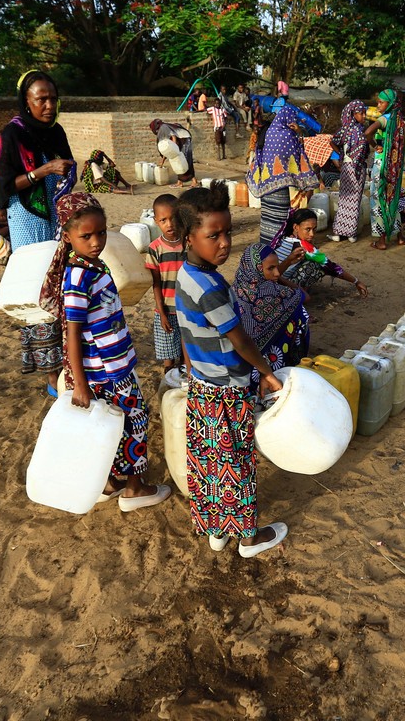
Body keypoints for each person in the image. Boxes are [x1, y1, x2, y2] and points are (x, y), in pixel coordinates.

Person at [173, 184, 289, 558]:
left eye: (228, 233)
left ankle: (218, 531)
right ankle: (249, 539)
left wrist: (192, 378)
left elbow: (188, 336)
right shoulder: (211, 288)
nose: (224, 243)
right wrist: (267, 373)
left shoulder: (186, 275)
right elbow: (239, 341)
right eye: (213, 236)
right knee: (237, 464)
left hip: (203, 387)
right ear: (189, 237)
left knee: (210, 463)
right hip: (226, 389)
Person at [38, 192, 171, 510]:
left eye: (101, 232)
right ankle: (135, 489)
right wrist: (79, 384)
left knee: (111, 424)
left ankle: (110, 482)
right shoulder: (79, 276)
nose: (96, 241)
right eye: (86, 236)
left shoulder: (93, 266)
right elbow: (71, 333)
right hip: (108, 372)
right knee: (135, 420)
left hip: (112, 365)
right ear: (68, 237)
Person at [0, 70, 77, 395]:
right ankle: (51, 375)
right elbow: (4, 185)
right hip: (27, 219)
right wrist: (43, 171)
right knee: (39, 292)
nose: (49, 105)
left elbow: (67, 164)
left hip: (56, 218)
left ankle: (67, 362)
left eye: (53, 98)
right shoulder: (11, 136)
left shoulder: (56, 132)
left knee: (61, 287)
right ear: (26, 101)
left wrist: (67, 171)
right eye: (41, 98)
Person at [234, 244, 310, 391]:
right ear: (255, 269)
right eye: (271, 268)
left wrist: (278, 271)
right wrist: (280, 278)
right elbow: (305, 296)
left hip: (240, 365)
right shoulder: (273, 292)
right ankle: (290, 362)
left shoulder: (235, 288)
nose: (276, 273)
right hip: (264, 364)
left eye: (276, 267)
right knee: (300, 311)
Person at [247, 104, 319, 246]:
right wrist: (298, 132)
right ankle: (277, 248)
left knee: (268, 218)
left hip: (266, 186)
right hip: (279, 187)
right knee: (279, 219)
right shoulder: (286, 134)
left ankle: (266, 247)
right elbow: (296, 154)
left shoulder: (269, 131)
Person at [272, 209, 370, 297]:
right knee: (316, 265)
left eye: (314, 229)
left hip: (271, 280)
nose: (312, 234)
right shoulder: (302, 246)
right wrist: (356, 281)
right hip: (280, 285)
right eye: (308, 229)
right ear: (296, 227)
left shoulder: (283, 238)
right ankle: (299, 296)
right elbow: (331, 266)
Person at [144, 193, 186, 379]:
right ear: (156, 221)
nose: (169, 224)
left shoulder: (189, 243)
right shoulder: (155, 249)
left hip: (188, 309)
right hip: (166, 310)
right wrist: (161, 313)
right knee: (168, 357)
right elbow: (156, 284)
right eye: (163, 220)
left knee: (187, 356)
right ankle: (169, 385)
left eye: (173, 218)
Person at [362, 89, 405, 249]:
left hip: (382, 167)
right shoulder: (400, 120)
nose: (378, 105)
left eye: (381, 102)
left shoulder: (384, 119)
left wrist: (375, 146)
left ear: (390, 104)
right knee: (393, 198)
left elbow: (367, 133)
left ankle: (381, 241)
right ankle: (400, 236)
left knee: (379, 200)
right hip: (395, 168)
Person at [327, 100, 368, 242]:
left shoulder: (345, 130)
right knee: (353, 199)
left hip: (347, 167)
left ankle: (339, 233)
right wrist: (342, 155)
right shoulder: (361, 131)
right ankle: (350, 234)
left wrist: (342, 155)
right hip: (355, 168)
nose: (364, 116)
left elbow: (333, 141)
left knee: (345, 199)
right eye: (361, 113)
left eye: (364, 113)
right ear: (353, 114)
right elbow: (332, 142)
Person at [150, 119, 198, 188]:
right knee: (177, 161)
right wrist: (162, 162)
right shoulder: (161, 131)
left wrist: (174, 148)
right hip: (179, 140)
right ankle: (180, 182)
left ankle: (195, 181)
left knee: (185, 160)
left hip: (185, 139)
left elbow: (173, 137)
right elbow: (166, 149)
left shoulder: (163, 127)